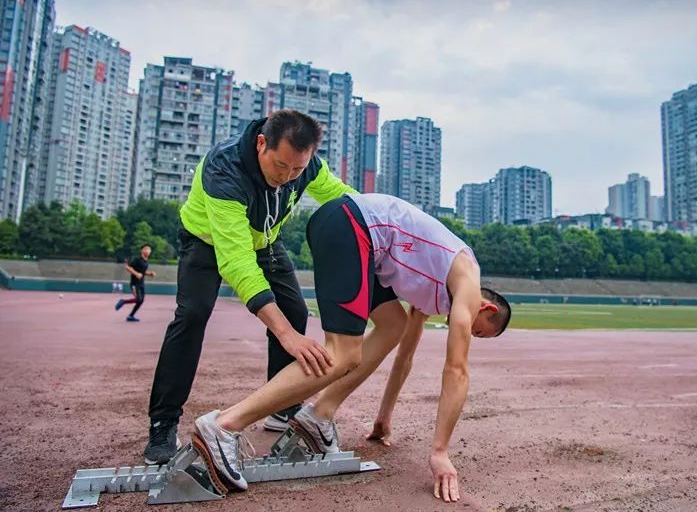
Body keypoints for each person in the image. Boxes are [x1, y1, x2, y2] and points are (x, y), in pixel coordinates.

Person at [191, 193, 511, 503]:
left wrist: (384, 417)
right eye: (479, 332)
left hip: (355, 234)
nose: (472, 334)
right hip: (353, 225)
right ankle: (223, 425)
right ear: (488, 309)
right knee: (344, 352)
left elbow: (405, 357)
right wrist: (440, 452)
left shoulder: (440, 295)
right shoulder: (468, 281)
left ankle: (319, 415)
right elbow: (456, 370)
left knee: (392, 325)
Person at [143, 110, 357, 465]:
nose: (286, 178)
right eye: (281, 165)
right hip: (206, 240)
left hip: (265, 240)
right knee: (192, 316)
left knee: (296, 311)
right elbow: (237, 262)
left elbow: (342, 197)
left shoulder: (308, 166)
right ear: (261, 143)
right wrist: (286, 335)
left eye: (297, 171)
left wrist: (380, 220)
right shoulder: (223, 169)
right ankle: (163, 422)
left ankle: (282, 405)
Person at [115, 244, 156, 322]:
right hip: (135, 284)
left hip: (141, 284)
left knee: (141, 301)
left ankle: (131, 316)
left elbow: (142, 272)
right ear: (142, 250)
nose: (148, 250)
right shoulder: (137, 259)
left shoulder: (146, 261)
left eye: (149, 249)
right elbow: (127, 267)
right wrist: (136, 274)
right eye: (146, 249)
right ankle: (123, 301)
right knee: (138, 299)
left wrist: (150, 273)